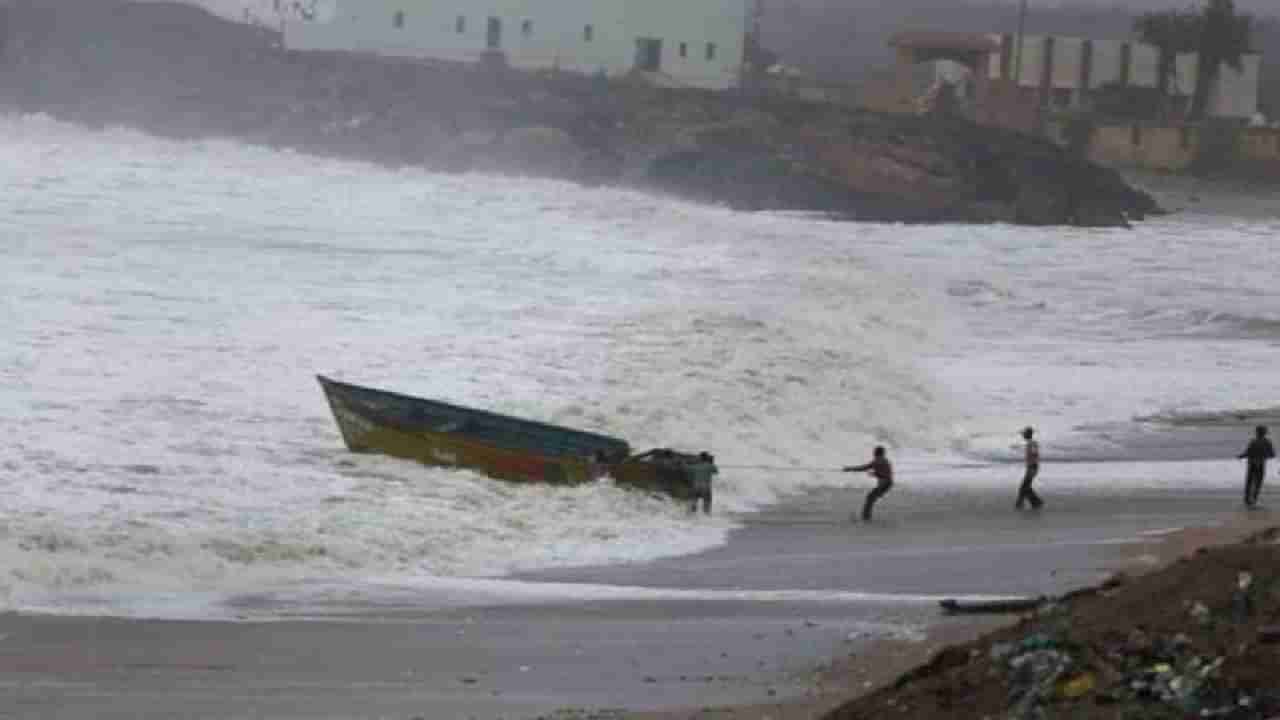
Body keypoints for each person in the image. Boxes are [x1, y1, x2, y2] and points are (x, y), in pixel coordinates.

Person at [843, 446, 893, 522]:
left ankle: (866, 517)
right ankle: (866, 516)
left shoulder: (877, 461)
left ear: (876, 453)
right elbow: (885, 473)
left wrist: (849, 469)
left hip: (884, 484)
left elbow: (863, 468)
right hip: (888, 483)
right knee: (871, 498)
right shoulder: (885, 461)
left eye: (874, 452)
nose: (873, 453)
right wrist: (875, 474)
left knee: (870, 498)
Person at [1238, 425, 1275, 508]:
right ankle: (1254, 500)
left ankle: (1247, 500)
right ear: (1265, 433)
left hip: (1251, 464)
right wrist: (1264, 455)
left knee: (1249, 482)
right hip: (1261, 464)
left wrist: (1240, 456)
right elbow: (1272, 455)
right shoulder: (1267, 442)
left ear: (1257, 433)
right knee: (1258, 482)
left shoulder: (1253, 442)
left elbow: (1247, 453)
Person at [1015, 427, 1044, 510]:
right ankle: (1035, 502)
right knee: (1026, 487)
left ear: (1028, 434)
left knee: (1024, 487)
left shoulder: (1032, 444)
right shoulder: (1031, 443)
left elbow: (1034, 453)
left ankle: (1021, 503)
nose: (1023, 435)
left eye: (1024, 434)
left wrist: (1032, 464)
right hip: (1031, 467)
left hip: (1032, 467)